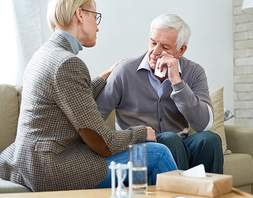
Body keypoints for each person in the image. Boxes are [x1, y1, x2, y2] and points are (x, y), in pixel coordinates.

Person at [0, 1, 177, 192]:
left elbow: (71, 98)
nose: (98, 27)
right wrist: (143, 132)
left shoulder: (44, 54)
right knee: (158, 153)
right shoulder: (68, 63)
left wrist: (104, 76)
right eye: (95, 16)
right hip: (50, 167)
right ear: (80, 14)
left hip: (28, 161)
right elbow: (103, 143)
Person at [95, 14, 224, 173]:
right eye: (153, 42)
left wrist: (177, 82)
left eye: (165, 47)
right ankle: (178, 194)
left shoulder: (194, 72)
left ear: (181, 50)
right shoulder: (124, 71)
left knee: (210, 140)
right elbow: (95, 117)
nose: (155, 51)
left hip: (180, 143)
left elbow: (204, 125)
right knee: (169, 139)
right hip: (140, 146)